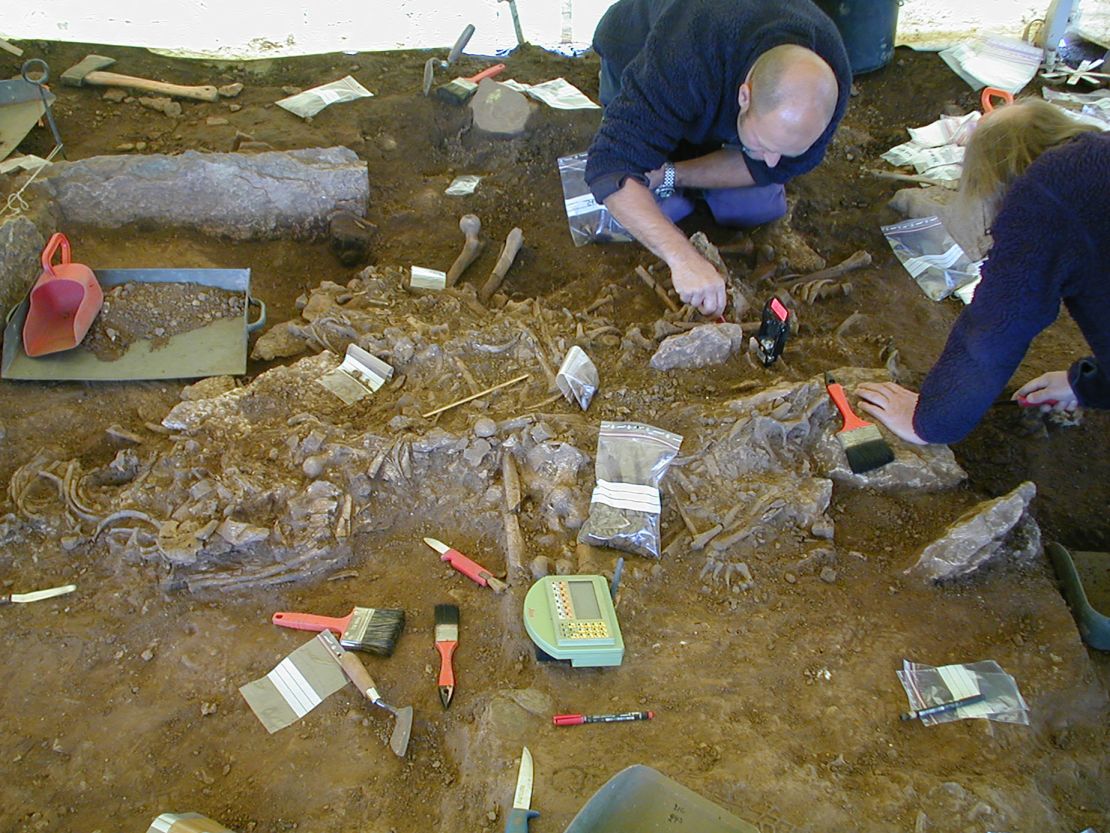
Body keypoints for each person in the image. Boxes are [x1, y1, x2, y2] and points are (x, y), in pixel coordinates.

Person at [857, 98, 1110, 445]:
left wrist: (930, 420)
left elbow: (998, 327)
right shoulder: (1097, 159)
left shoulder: (1044, 193)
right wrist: (1090, 384)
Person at [584, 0, 851, 317]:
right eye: (765, 145)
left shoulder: (826, 83)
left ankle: (693, 169)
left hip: (717, 90)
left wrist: (672, 174)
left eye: (786, 151)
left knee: (753, 207)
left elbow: (764, 167)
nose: (772, 162)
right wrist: (681, 256)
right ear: (744, 96)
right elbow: (609, 165)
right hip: (640, 50)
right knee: (658, 208)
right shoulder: (682, 60)